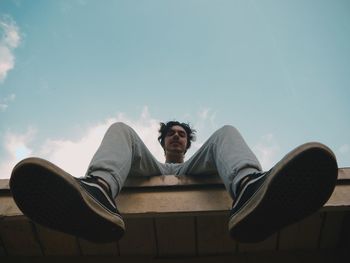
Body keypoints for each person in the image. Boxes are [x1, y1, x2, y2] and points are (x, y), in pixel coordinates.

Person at [10, 121, 338, 243]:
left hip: (196, 173)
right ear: (164, 140)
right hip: (153, 172)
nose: (177, 137)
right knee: (122, 129)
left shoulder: (201, 159)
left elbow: (215, 147)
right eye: (171, 133)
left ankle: (248, 188)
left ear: (188, 142)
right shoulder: (153, 159)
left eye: (182, 134)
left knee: (225, 131)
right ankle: (99, 191)